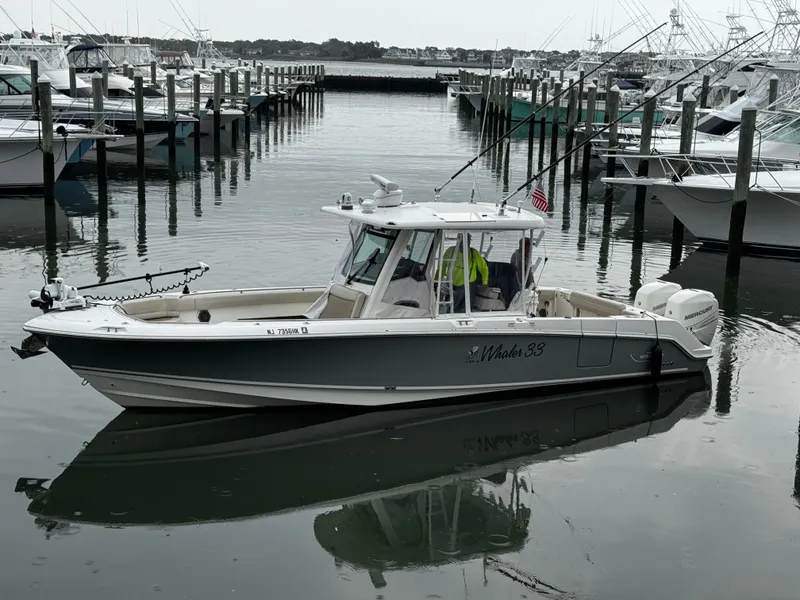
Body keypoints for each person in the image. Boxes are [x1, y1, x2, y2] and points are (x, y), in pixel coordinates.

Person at [437, 234, 489, 312]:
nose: (465, 243)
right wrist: (436, 281)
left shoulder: (474, 253)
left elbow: (484, 269)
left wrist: (484, 283)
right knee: (450, 308)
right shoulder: (450, 251)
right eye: (462, 241)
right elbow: (442, 268)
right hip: (451, 285)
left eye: (467, 241)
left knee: (466, 310)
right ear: (458, 241)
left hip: (469, 287)